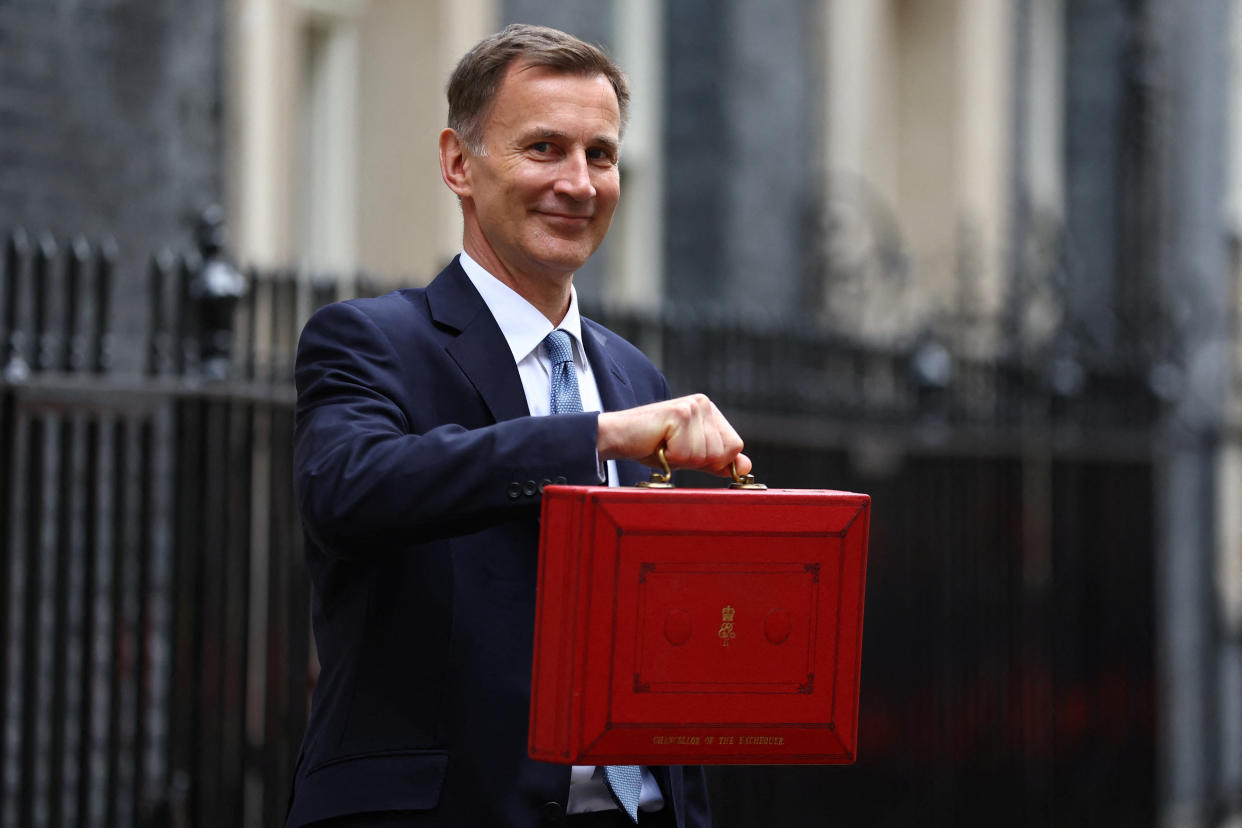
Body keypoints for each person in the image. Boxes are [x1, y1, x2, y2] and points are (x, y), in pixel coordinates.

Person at [286, 23, 748, 828]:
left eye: (600, 155)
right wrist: (594, 437)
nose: (579, 182)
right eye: (543, 148)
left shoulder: (636, 378)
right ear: (459, 164)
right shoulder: (369, 340)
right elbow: (348, 490)